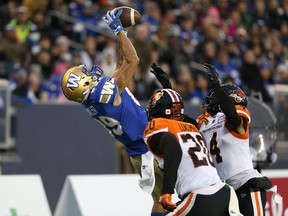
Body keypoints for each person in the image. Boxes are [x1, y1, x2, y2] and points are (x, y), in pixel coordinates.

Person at [61, 9, 164, 216]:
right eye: (85, 74)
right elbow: (133, 61)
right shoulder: (101, 94)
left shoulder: (94, 98)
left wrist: (122, 32)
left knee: (163, 197)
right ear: (83, 84)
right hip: (146, 148)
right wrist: (118, 30)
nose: (90, 72)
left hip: (143, 146)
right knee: (164, 199)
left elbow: (121, 63)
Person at [143, 88, 242, 216]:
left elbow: (173, 146)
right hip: (224, 193)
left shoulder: (157, 124)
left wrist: (167, 191)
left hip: (200, 196)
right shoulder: (192, 127)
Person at [197, 63, 273, 216]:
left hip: (246, 183)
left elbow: (232, 116)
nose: (210, 101)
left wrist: (217, 86)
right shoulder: (205, 122)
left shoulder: (234, 116)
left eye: (216, 96)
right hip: (224, 190)